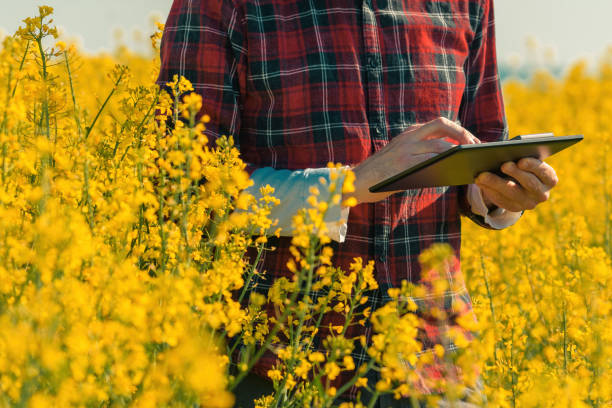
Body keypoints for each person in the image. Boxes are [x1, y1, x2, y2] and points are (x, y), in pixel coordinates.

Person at [157, 0, 558, 406]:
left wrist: (501, 195)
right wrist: (347, 186)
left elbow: (482, 153)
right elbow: (183, 189)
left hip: (435, 363)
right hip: (279, 364)